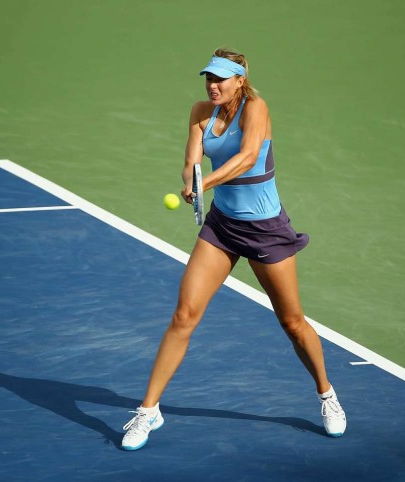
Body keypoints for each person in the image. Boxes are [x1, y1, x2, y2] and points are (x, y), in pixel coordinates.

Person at [122, 48, 346, 451]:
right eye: (209, 78)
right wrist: (190, 180)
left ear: (240, 81)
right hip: (222, 227)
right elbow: (192, 161)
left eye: (221, 79)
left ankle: (326, 394)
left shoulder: (256, 108)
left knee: (293, 322)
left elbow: (246, 158)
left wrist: (204, 185)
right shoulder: (200, 111)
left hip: (265, 230)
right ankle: (148, 410)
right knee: (183, 315)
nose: (213, 85)